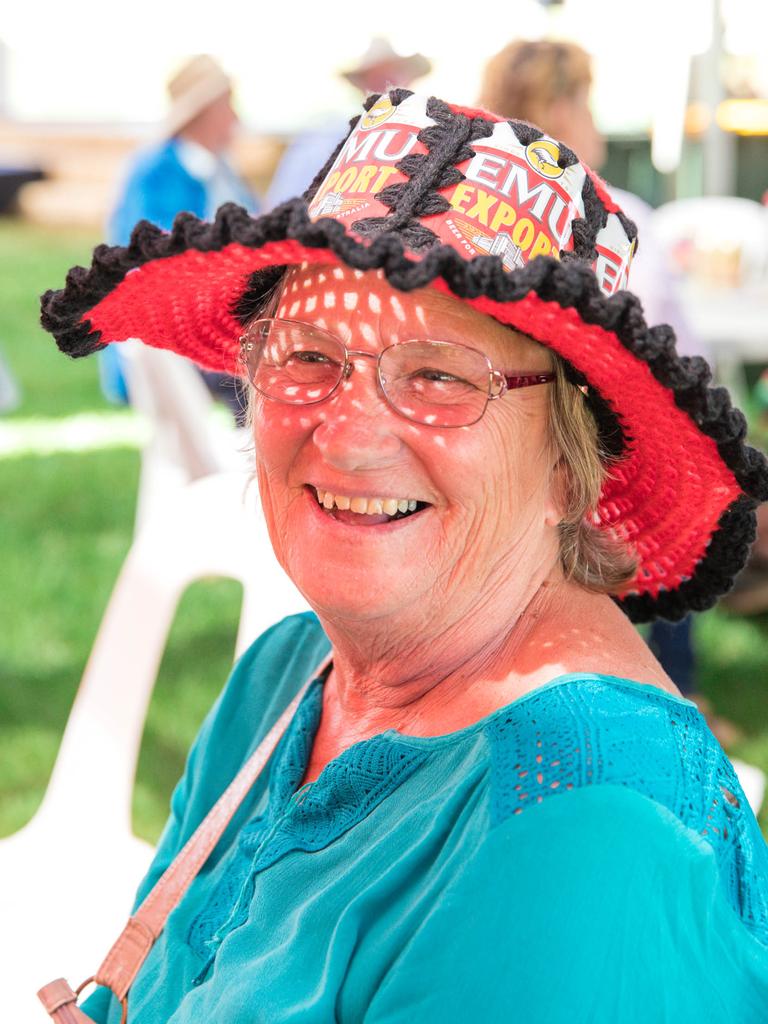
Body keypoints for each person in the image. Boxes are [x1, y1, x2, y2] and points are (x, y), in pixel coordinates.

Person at [41, 89, 768, 1022]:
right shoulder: (286, 675)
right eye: (308, 357)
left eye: (437, 376)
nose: (346, 436)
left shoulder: (591, 824)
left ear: (569, 471)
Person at [479, 38, 721, 722]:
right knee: (685, 465)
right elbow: (684, 362)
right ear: (559, 105)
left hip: (498, 460)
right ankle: (679, 684)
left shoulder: (475, 212)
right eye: (587, 100)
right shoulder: (619, 221)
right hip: (598, 473)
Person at [102, 54, 258, 420]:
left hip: (221, 316)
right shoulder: (158, 171)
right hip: (172, 330)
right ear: (204, 112)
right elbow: (156, 259)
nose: (235, 118)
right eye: (227, 105)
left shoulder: (222, 168)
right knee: (262, 374)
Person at [264, 37, 430, 209]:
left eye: (395, 75)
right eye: (380, 78)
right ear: (364, 85)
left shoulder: (424, 139)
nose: (389, 85)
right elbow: (283, 204)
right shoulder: (326, 137)